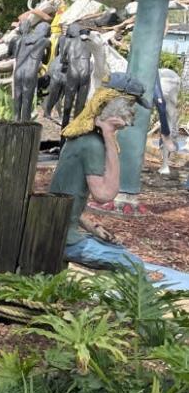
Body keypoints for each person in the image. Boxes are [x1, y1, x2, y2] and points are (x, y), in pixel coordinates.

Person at [48, 73, 146, 269]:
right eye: (130, 107)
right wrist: (109, 135)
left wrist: (93, 228)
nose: (132, 116)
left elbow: (64, 199)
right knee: (134, 267)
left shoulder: (79, 137)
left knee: (116, 251)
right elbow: (105, 194)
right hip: (63, 238)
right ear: (116, 107)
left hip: (59, 227)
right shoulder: (92, 144)